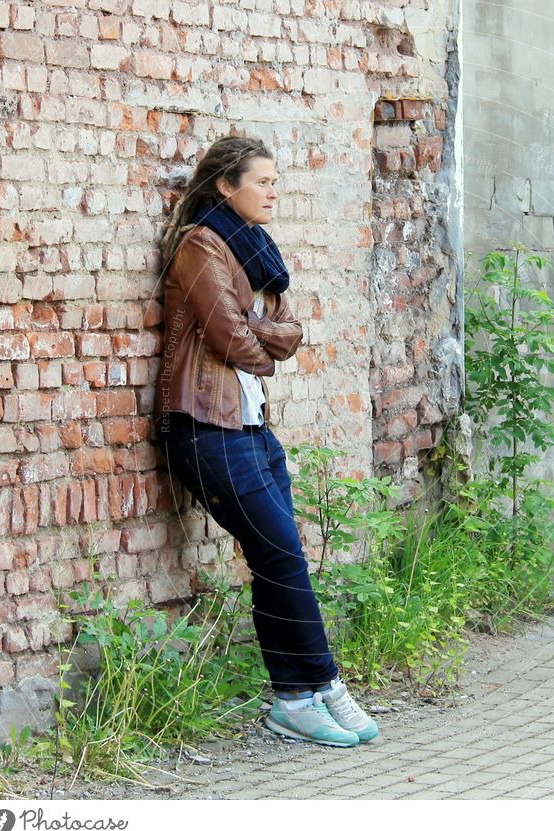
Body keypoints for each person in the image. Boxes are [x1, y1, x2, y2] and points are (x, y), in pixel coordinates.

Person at [153, 134, 378, 748]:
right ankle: (325, 684)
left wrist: (264, 332)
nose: (274, 191)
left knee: (279, 561)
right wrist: (265, 336)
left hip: (253, 429)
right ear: (227, 186)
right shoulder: (202, 245)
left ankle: (293, 699)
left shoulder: (253, 254)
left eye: (277, 180)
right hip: (205, 427)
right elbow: (234, 341)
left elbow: (288, 328)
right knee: (281, 555)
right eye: (263, 181)